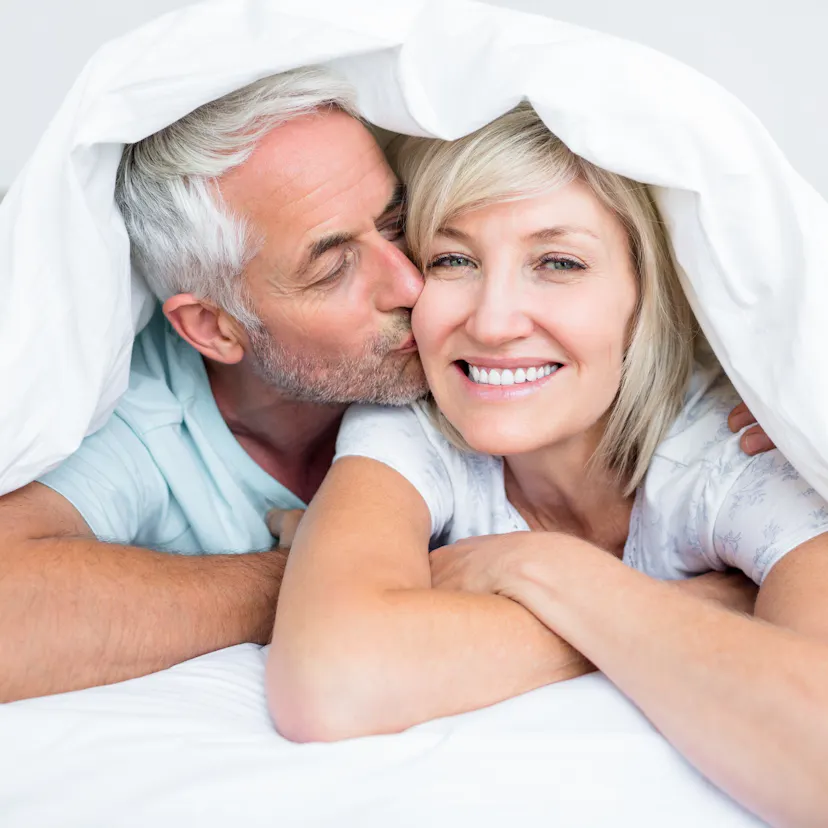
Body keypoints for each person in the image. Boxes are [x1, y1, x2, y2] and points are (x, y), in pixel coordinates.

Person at [0, 68, 765, 704]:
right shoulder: (147, 421)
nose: (411, 284)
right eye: (333, 265)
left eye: (399, 225)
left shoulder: (490, 358)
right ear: (214, 327)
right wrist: (336, 582)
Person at [267, 105, 828, 825]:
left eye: (558, 263)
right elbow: (330, 682)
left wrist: (535, 568)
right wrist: (712, 604)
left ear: (643, 297)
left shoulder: (736, 452)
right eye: (453, 260)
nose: (494, 322)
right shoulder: (419, 421)